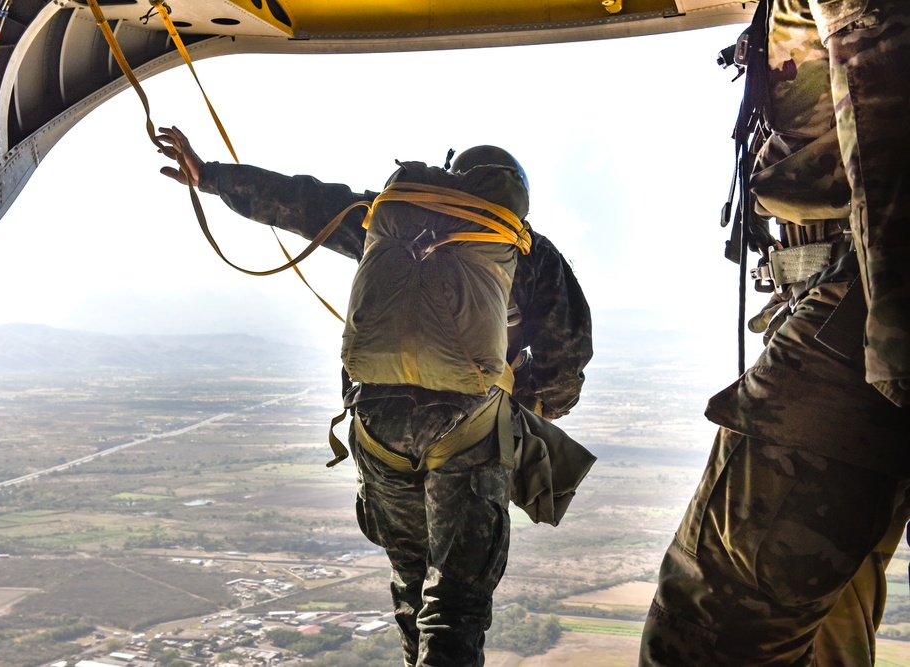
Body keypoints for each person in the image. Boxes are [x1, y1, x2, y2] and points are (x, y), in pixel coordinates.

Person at [158, 129, 593, 667]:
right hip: (467, 429)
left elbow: (300, 200)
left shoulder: (391, 219)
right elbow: (565, 363)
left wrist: (212, 177)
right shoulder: (525, 249)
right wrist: (521, 399)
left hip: (375, 424)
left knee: (411, 580)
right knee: (457, 600)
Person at [640, 0, 910, 665]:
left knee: (699, 638)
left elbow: (886, 100)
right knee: (827, 628)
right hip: (855, 313)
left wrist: (895, 343)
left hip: (861, 318)